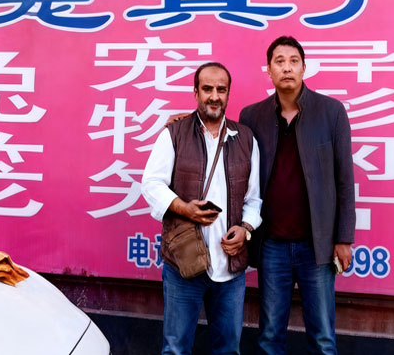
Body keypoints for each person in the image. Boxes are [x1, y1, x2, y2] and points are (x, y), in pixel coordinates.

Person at [239, 36, 356, 355]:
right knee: (269, 336)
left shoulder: (331, 112)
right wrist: (183, 124)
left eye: (293, 61)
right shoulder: (252, 116)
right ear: (269, 70)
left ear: (305, 68)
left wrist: (343, 238)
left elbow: (345, 179)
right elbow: (234, 163)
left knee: (323, 338)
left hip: (317, 246)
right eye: (279, 61)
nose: (287, 68)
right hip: (271, 244)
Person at [141, 62, 262, 355]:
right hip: (184, 265)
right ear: (195, 92)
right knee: (176, 349)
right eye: (207, 89)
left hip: (230, 268)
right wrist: (184, 208)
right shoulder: (174, 134)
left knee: (228, 350)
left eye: (221, 89)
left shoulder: (246, 139)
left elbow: (254, 199)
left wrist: (245, 229)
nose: (214, 96)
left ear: (229, 94)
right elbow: (151, 184)